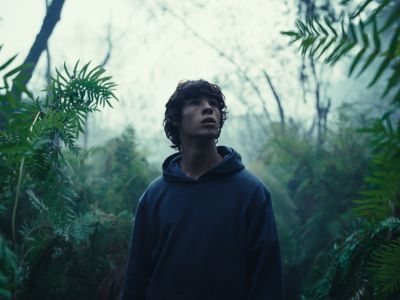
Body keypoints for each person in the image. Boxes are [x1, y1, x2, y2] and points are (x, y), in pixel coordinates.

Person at [120, 80, 283, 300]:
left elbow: (267, 281)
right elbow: (135, 280)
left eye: (214, 104)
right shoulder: (154, 196)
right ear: (176, 119)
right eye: (195, 103)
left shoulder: (251, 193)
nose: (208, 108)